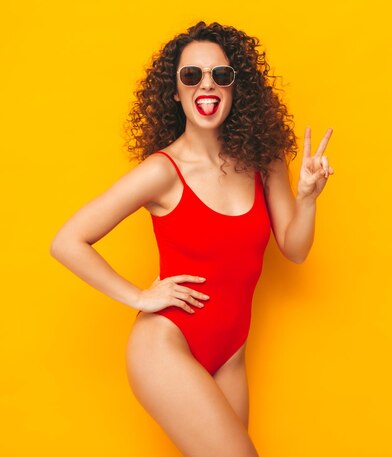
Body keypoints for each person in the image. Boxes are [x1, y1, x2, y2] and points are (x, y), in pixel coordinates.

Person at [49, 20, 334, 456]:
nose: (208, 85)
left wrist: (308, 198)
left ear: (237, 88)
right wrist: (139, 297)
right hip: (166, 346)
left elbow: (294, 250)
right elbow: (67, 241)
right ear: (175, 91)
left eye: (221, 75)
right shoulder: (161, 171)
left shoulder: (263, 159)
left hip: (231, 354)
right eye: (191, 76)